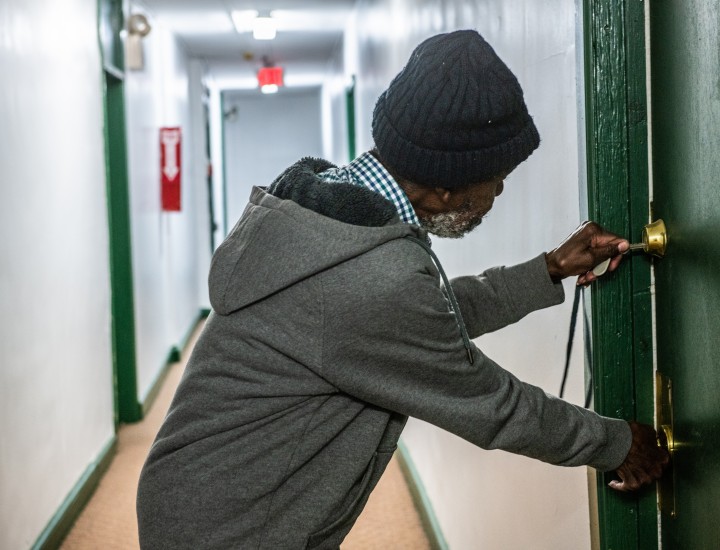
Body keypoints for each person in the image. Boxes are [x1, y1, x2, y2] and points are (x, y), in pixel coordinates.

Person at [136, 30, 668, 549]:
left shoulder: (325, 208)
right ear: (445, 186)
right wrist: (619, 443)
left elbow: (419, 321)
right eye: (496, 178)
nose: (498, 192)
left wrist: (547, 268)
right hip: (230, 529)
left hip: (199, 497)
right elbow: (492, 405)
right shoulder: (374, 275)